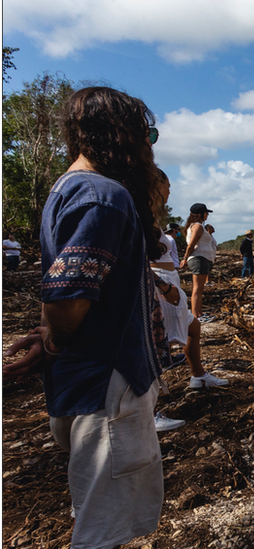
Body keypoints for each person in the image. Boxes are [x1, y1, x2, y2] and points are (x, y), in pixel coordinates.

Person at [2, 86, 167, 548]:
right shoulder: (104, 197)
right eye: (146, 134)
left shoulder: (68, 190)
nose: (149, 147)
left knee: (94, 512)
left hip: (86, 379)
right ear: (120, 135)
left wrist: (47, 335)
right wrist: (54, 338)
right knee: (101, 531)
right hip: (107, 384)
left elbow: (60, 282)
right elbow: (65, 294)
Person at [151, 172, 229, 396]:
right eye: (167, 186)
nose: (169, 192)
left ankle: (199, 376)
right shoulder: (138, 216)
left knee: (192, 328)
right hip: (159, 283)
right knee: (158, 337)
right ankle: (151, 397)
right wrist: (161, 283)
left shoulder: (152, 218)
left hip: (169, 280)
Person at [180, 203, 216, 320]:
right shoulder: (197, 227)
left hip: (203, 259)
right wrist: (185, 258)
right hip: (198, 258)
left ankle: (199, 313)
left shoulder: (198, 226)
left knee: (200, 289)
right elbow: (191, 244)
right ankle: (195, 315)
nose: (207, 215)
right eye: (206, 213)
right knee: (197, 288)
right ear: (200, 214)